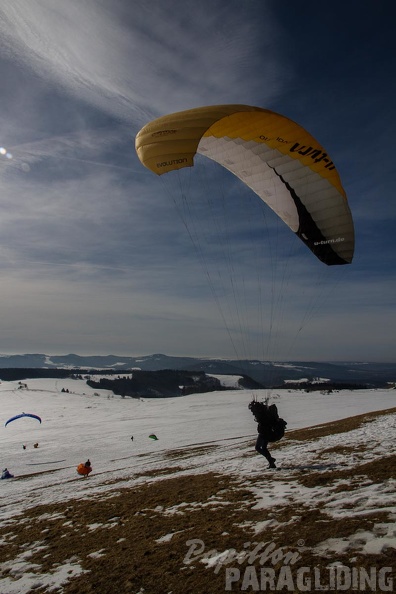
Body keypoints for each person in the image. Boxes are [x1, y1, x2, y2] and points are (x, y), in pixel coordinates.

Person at [249, 400, 287, 469]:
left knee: (257, 447)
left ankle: (270, 460)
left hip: (263, 433)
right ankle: (271, 463)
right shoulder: (267, 414)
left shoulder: (262, 416)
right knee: (264, 447)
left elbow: (263, 423)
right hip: (268, 433)